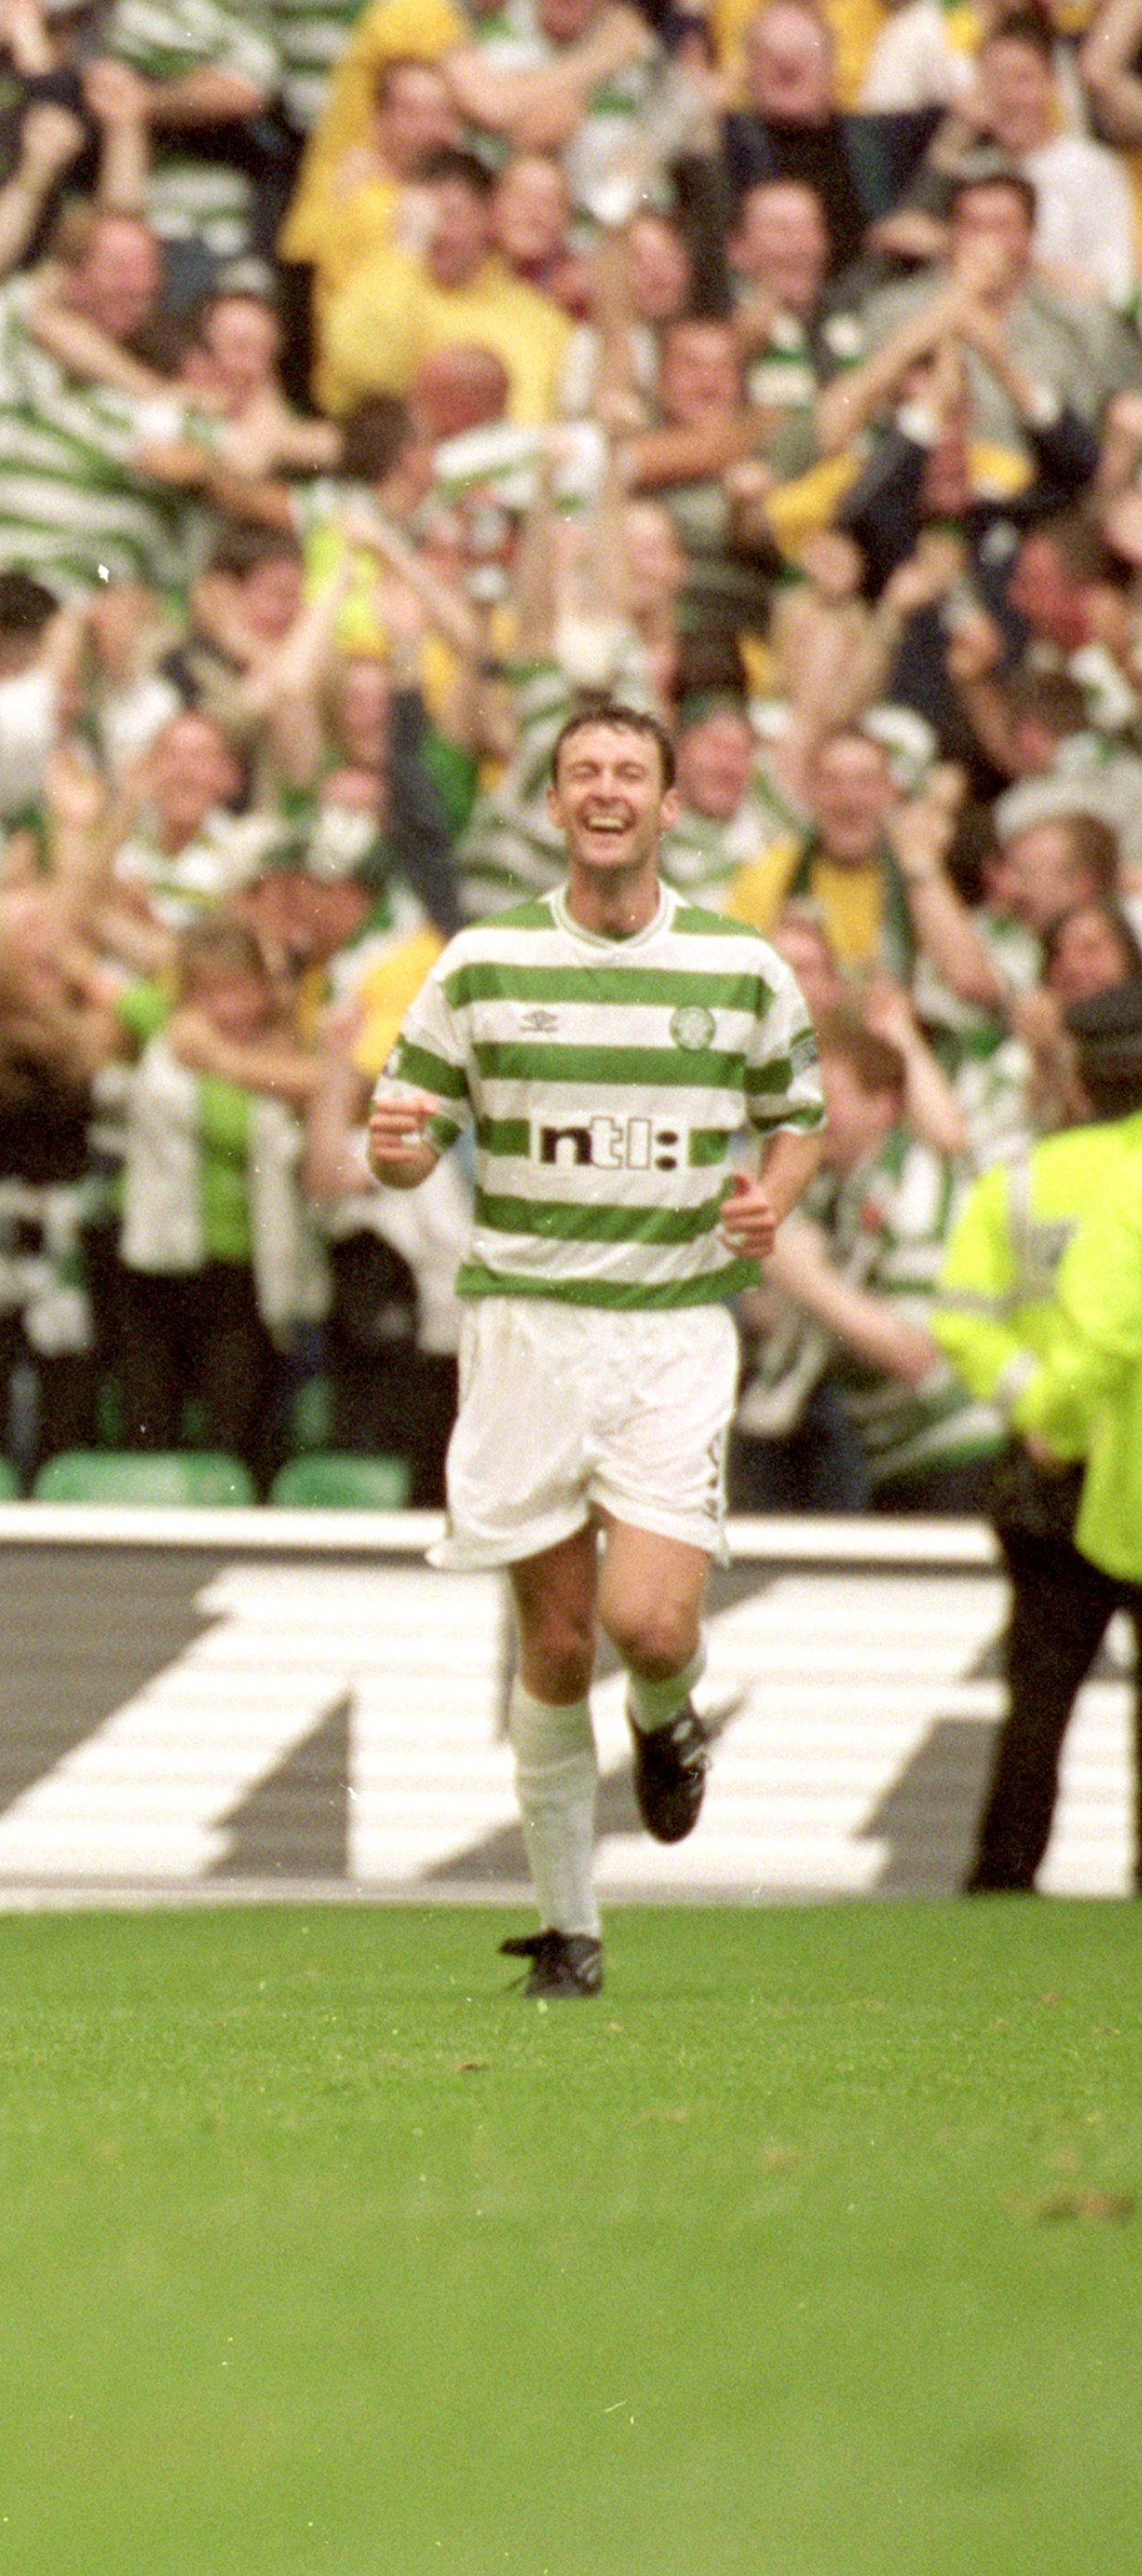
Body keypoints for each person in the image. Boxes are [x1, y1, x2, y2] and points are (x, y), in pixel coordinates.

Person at [370, 703, 827, 1999]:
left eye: (631, 771)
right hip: (526, 1328)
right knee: (559, 1642)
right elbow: (403, 1135)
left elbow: (799, 1115)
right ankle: (569, 1936)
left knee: (648, 1622)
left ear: (670, 806)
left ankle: (667, 1716)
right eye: (584, 772)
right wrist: (395, 1150)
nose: (607, 790)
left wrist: (771, 1200)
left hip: (670, 1328)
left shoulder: (740, 966)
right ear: (556, 804)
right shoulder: (483, 962)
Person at [934, 980, 1142, 1892]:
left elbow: (963, 1318)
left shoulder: (1020, 1182)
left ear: (1079, 1078)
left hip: (1051, 1468)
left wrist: (1038, 1411)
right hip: (1130, 1462)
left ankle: (1004, 1876)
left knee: (1039, 1695)